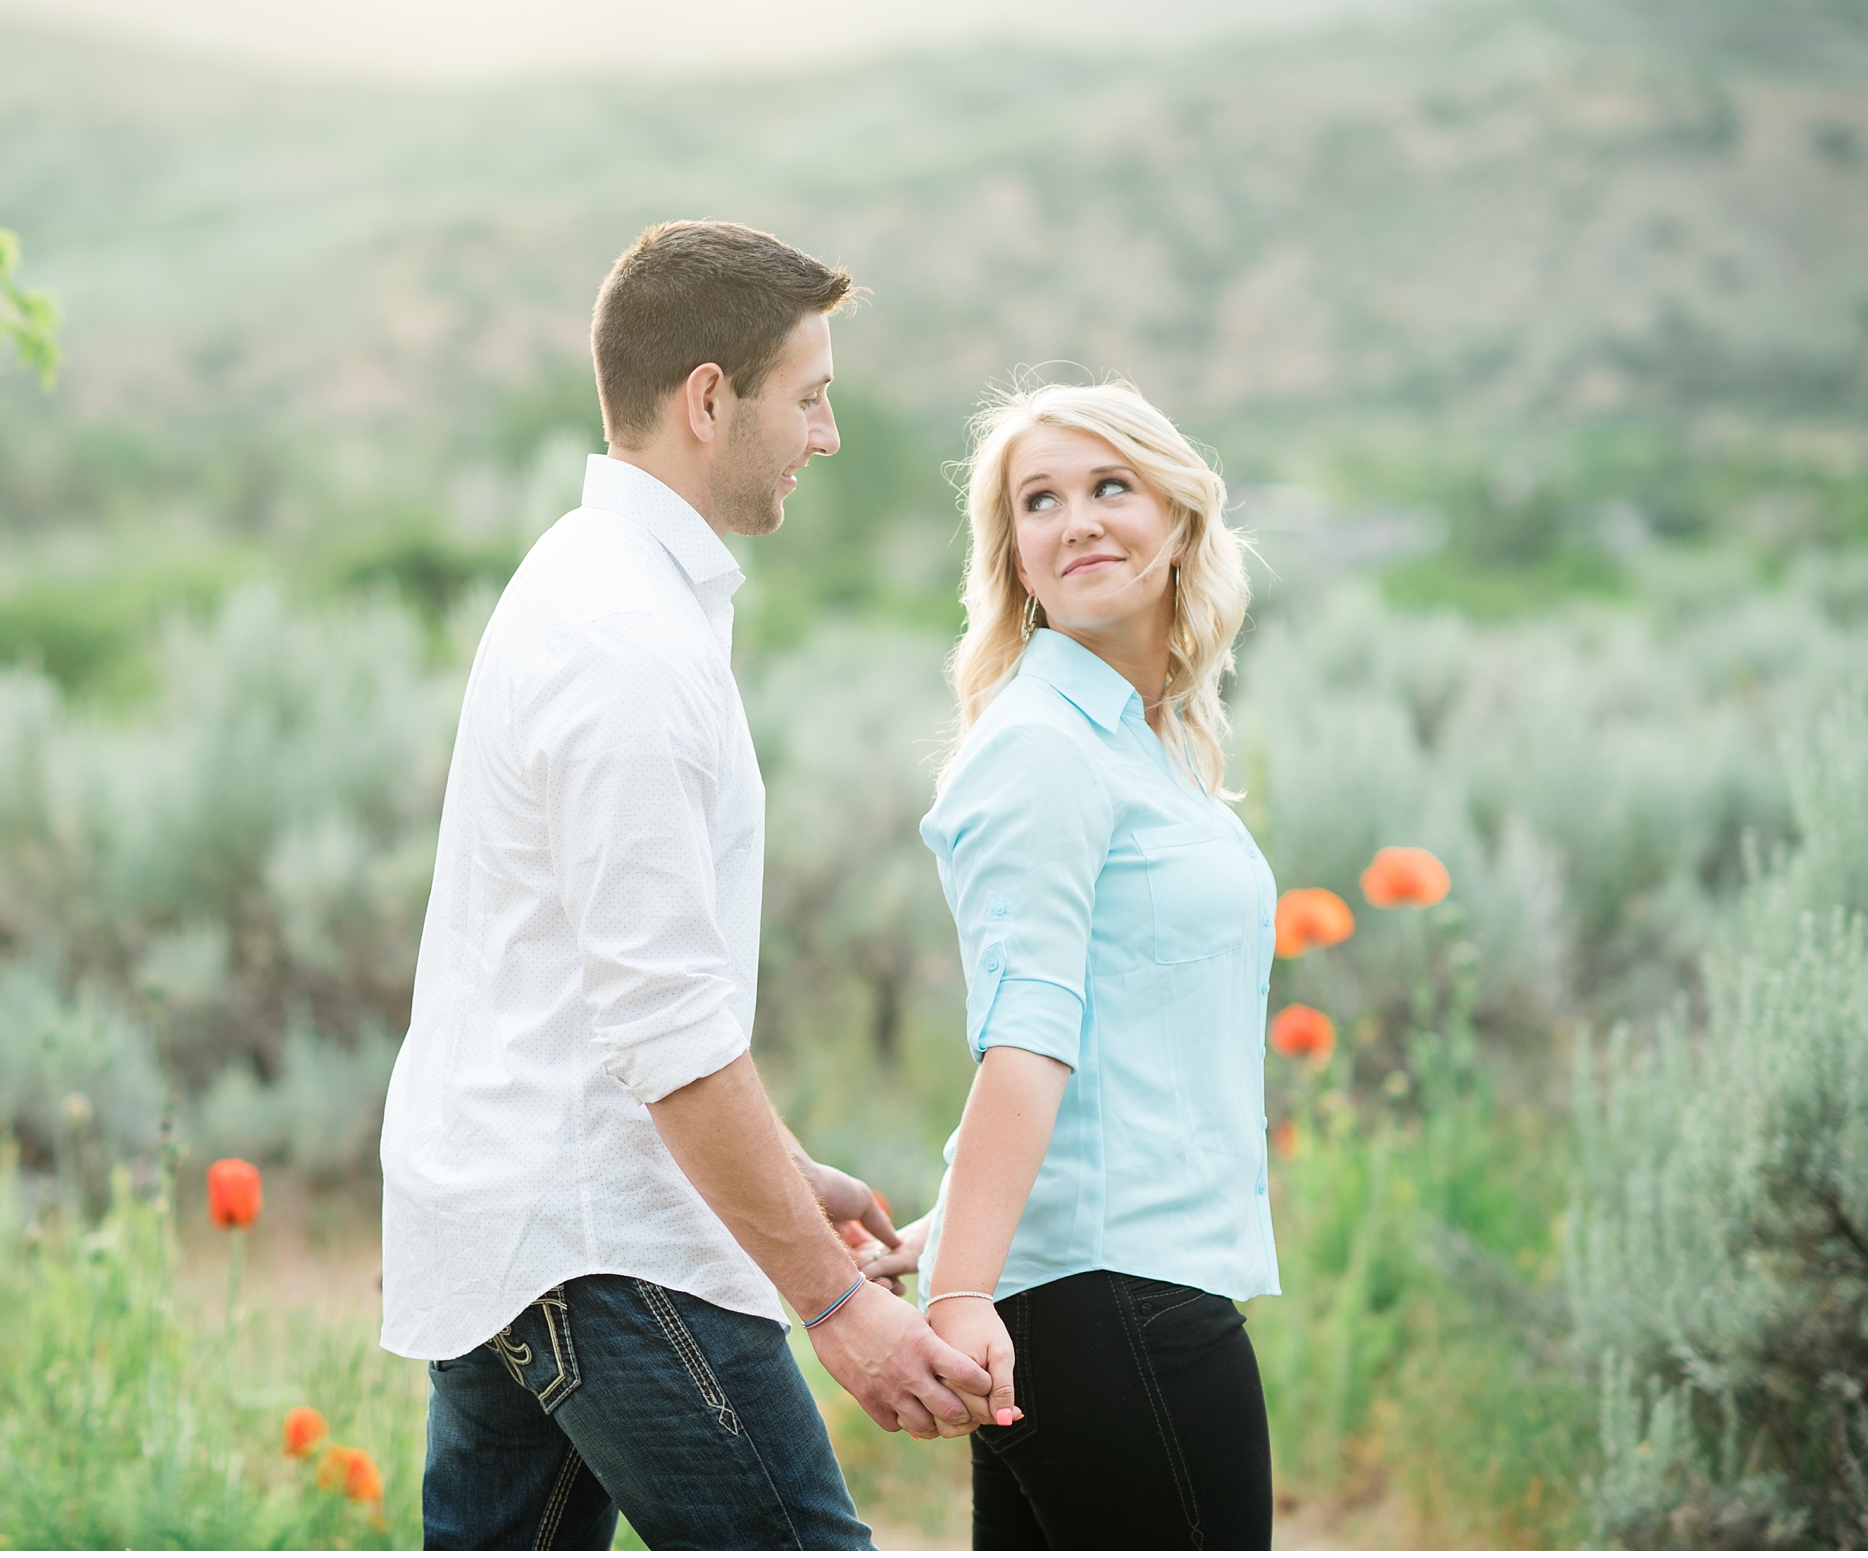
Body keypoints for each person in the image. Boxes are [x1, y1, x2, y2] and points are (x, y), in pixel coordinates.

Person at [380, 220, 994, 1551]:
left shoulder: (584, 577)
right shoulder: (629, 647)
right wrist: (839, 1304)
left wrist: (782, 1166)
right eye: (811, 395)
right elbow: (662, 1031)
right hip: (606, 1243)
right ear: (710, 398)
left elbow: (589, 978)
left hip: (517, 1218)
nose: (827, 434)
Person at [864, 379, 1280, 1549]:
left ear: (1181, 521)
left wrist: (951, 1225)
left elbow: (1110, 1035)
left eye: (1111, 487)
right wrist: (959, 1291)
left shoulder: (1141, 746)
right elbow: (1028, 1034)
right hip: (1113, 1304)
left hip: (1130, 1286)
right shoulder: (1043, 749)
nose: (1079, 519)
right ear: (1019, 562)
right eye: (1040, 501)